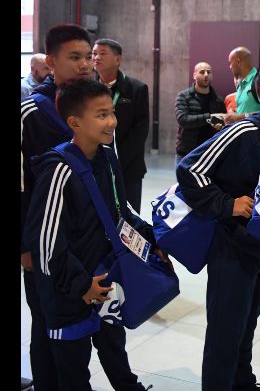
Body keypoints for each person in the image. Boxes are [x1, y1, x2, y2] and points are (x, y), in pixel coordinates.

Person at [23, 78, 165, 390]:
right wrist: (80, 285)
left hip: (105, 280)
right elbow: (45, 245)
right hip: (69, 294)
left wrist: (151, 242)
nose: (112, 121)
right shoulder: (58, 169)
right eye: (101, 115)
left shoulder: (107, 159)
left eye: (112, 112)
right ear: (74, 122)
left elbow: (120, 213)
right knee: (73, 370)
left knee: (114, 346)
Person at [177, 60, 260, 391]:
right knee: (225, 331)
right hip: (232, 250)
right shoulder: (243, 130)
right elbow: (190, 168)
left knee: (246, 325)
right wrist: (226, 204)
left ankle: (242, 382)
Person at [21, 24, 95, 391]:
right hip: (43, 243)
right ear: (51, 62)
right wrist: (23, 247)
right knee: (46, 323)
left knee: (76, 328)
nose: (84, 64)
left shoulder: (93, 106)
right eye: (74, 57)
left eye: (88, 57)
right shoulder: (31, 113)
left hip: (83, 240)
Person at [92, 38, 150, 211]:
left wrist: (116, 161)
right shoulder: (87, 89)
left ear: (117, 59)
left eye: (103, 53)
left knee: (128, 216)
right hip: (95, 164)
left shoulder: (136, 88)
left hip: (128, 167)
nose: (96, 58)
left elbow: (140, 130)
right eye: (94, 54)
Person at [174, 61, 226, 165]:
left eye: (209, 72)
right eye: (202, 72)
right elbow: (183, 120)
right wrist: (209, 118)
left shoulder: (218, 101)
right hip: (186, 154)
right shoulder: (183, 97)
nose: (206, 75)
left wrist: (221, 125)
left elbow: (224, 124)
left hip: (209, 155)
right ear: (194, 75)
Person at [222, 46, 260, 125]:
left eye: (230, 63)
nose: (230, 67)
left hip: (257, 136)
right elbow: (243, 112)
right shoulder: (240, 85)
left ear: (238, 62)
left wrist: (239, 117)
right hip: (244, 135)